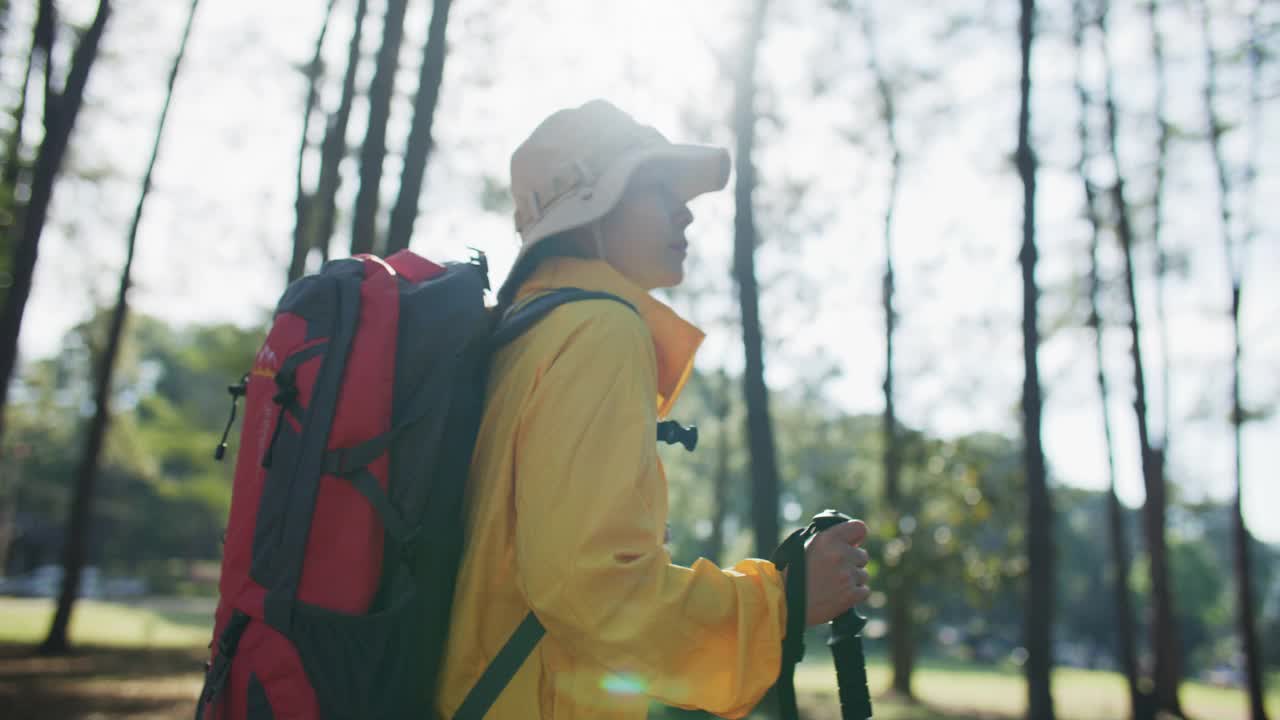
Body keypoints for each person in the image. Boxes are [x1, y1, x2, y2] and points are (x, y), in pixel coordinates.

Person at [435, 99, 871, 719]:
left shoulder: (522, 331)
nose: (686, 210)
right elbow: (590, 587)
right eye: (658, 187)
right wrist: (784, 598)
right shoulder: (597, 330)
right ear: (590, 211)